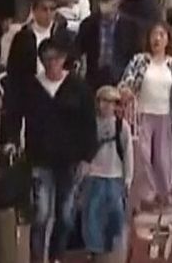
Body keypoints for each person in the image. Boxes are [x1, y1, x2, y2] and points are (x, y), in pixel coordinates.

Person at [7, 36, 98, 263]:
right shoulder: (32, 87)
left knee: (66, 216)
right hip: (40, 159)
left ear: (64, 59)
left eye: (55, 58)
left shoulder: (78, 87)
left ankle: (56, 256)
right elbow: (15, 115)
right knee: (41, 214)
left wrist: (87, 157)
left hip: (71, 161)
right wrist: (11, 140)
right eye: (46, 59)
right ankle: (37, 258)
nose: (51, 63)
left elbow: (89, 124)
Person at [118, 21, 172, 210]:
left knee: (163, 158)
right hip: (142, 114)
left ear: (168, 39)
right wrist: (126, 91)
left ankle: (164, 193)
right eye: (154, 34)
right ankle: (146, 194)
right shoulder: (139, 60)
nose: (157, 39)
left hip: (165, 116)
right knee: (142, 156)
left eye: (161, 35)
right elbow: (125, 82)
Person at [77, 84, 134, 256]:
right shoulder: (89, 125)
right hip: (93, 176)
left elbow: (128, 153)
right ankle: (95, 251)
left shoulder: (122, 127)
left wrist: (128, 179)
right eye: (102, 101)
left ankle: (110, 251)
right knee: (92, 217)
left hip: (114, 177)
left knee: (115, 216)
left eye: (110, 102)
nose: (106, 105)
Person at [76, 0, 144, 89]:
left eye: (115, 4)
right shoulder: (89, 24)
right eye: (105, 3)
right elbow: (78, 49)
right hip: (94, 78)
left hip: (121, 79)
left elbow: (136, 55)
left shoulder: (131, 26)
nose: (110, 7)